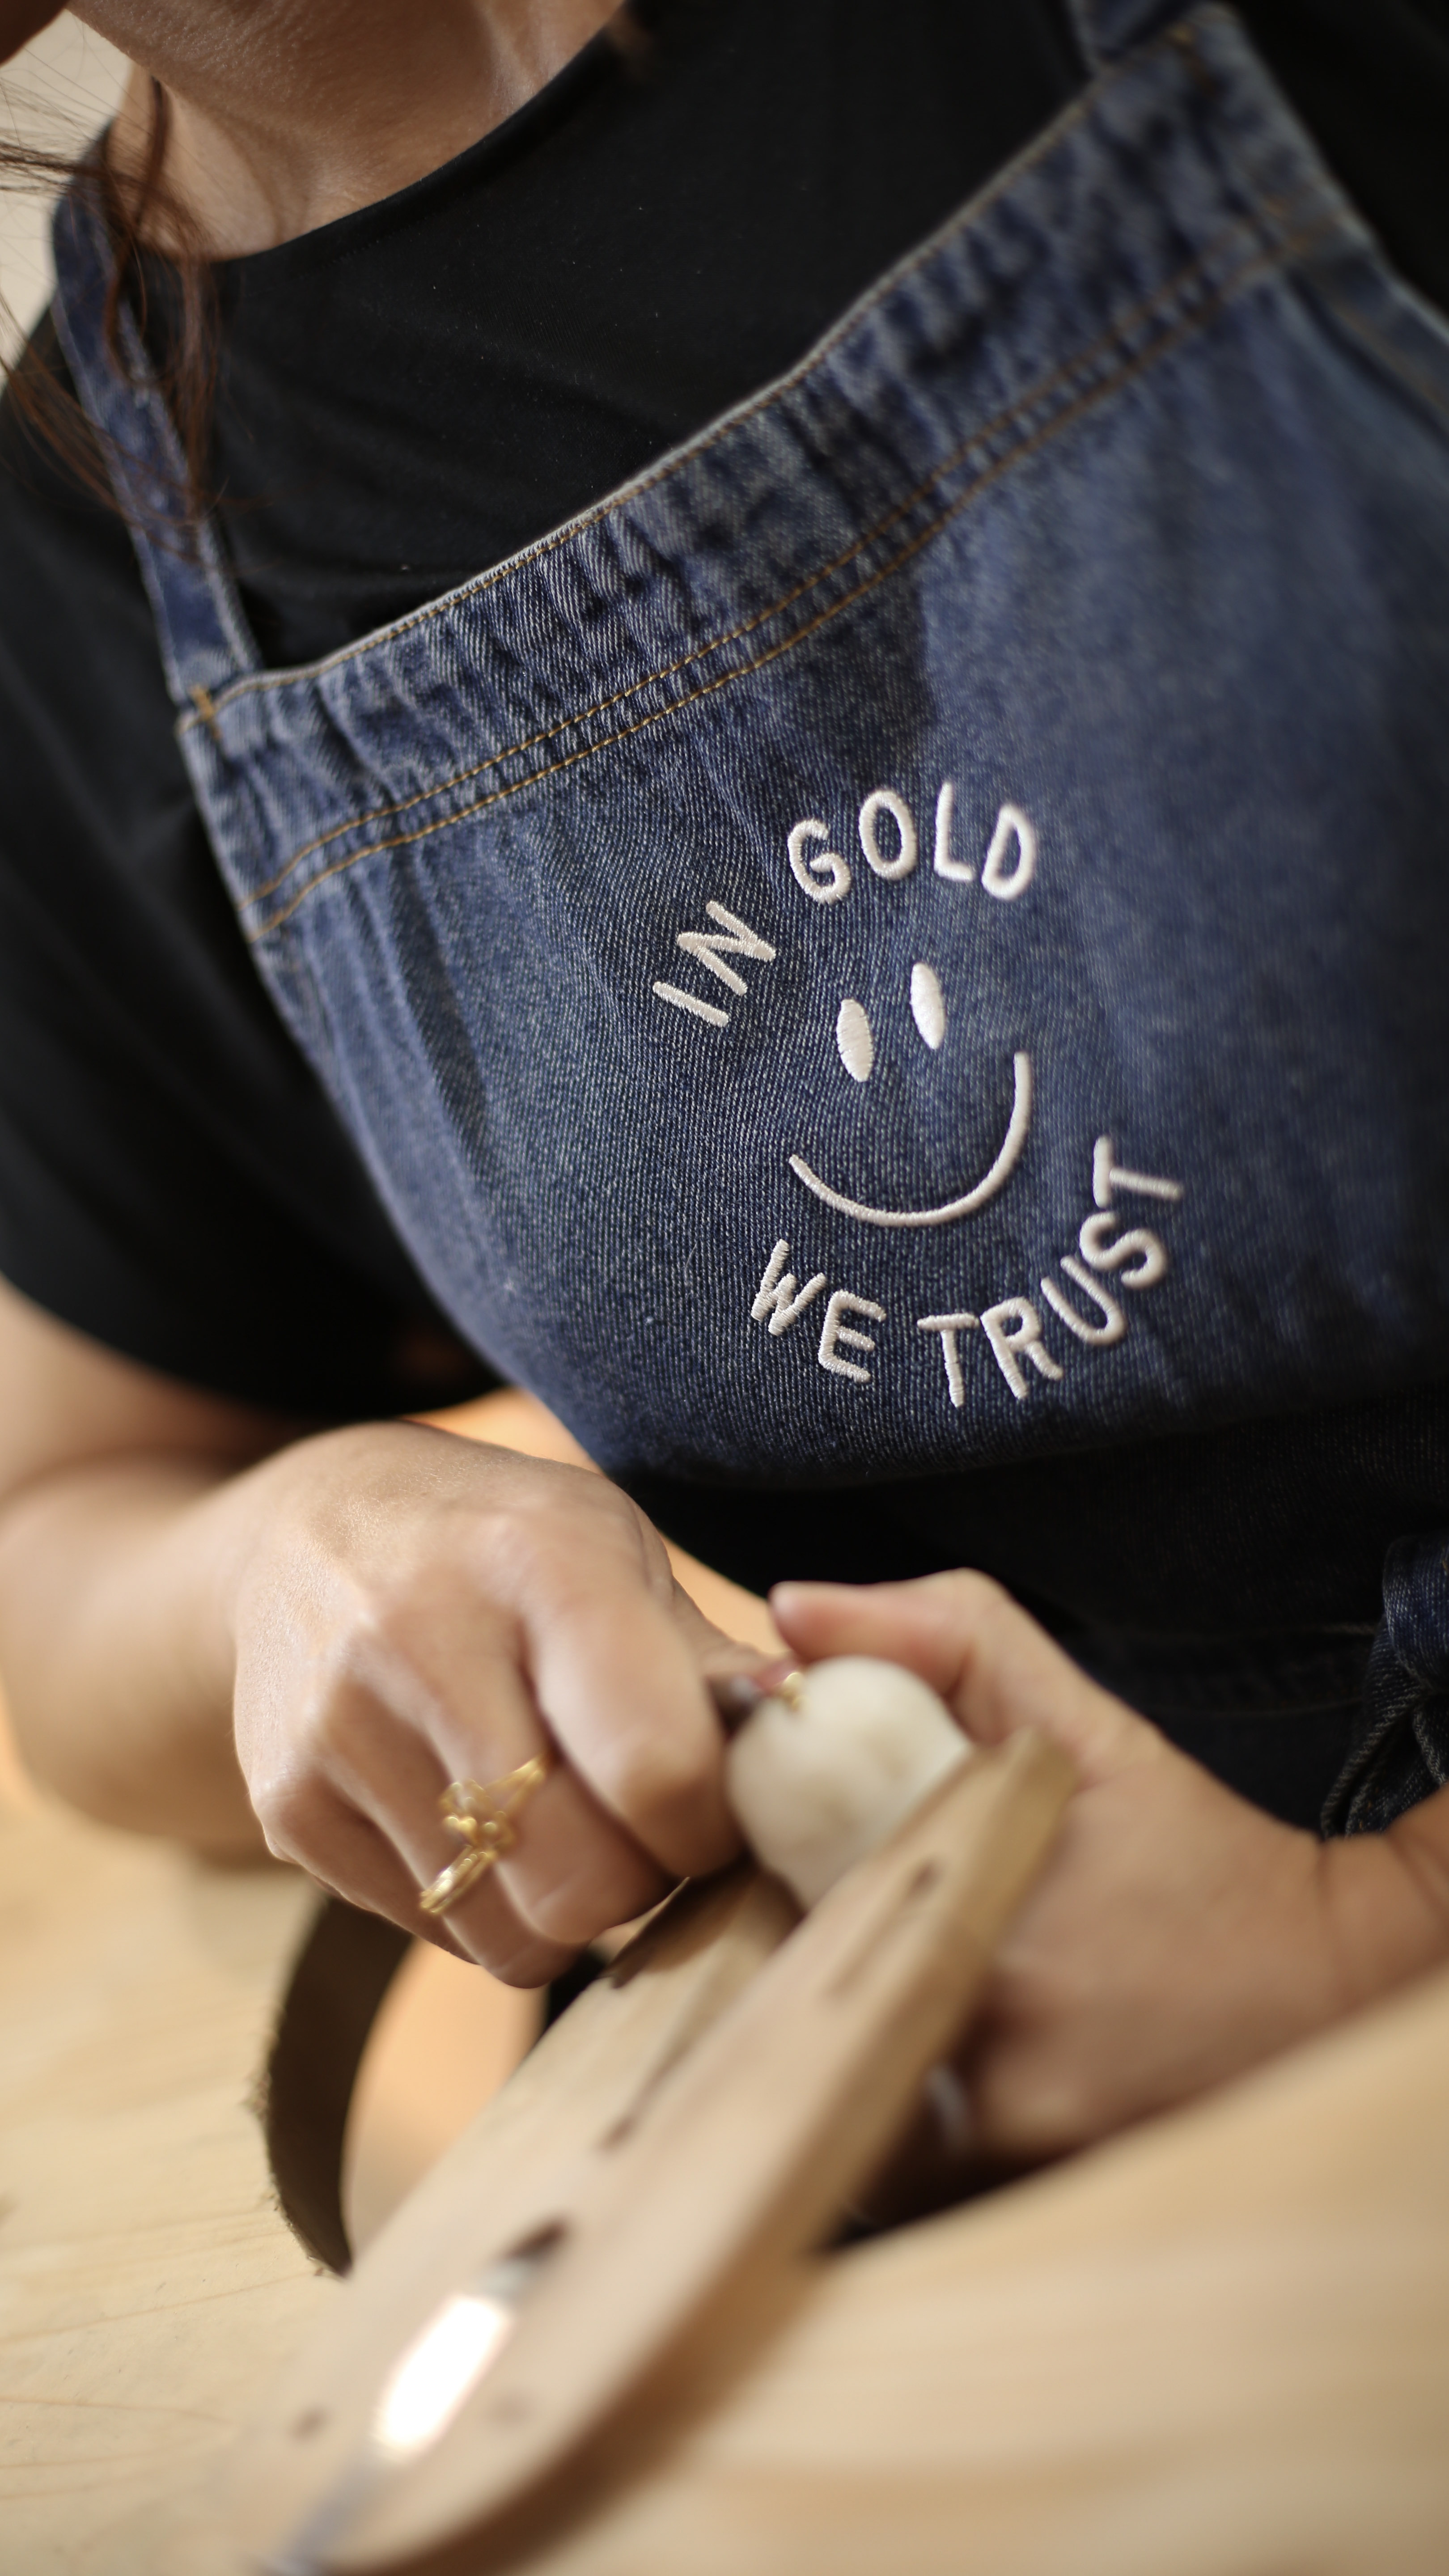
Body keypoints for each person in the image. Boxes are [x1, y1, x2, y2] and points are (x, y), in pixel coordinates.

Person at [2, 0, 1449, 2175]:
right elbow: (66, 1532)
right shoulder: (78, 532)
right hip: (1040, 2084)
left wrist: (1375, 1935)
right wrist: (294, 1559)